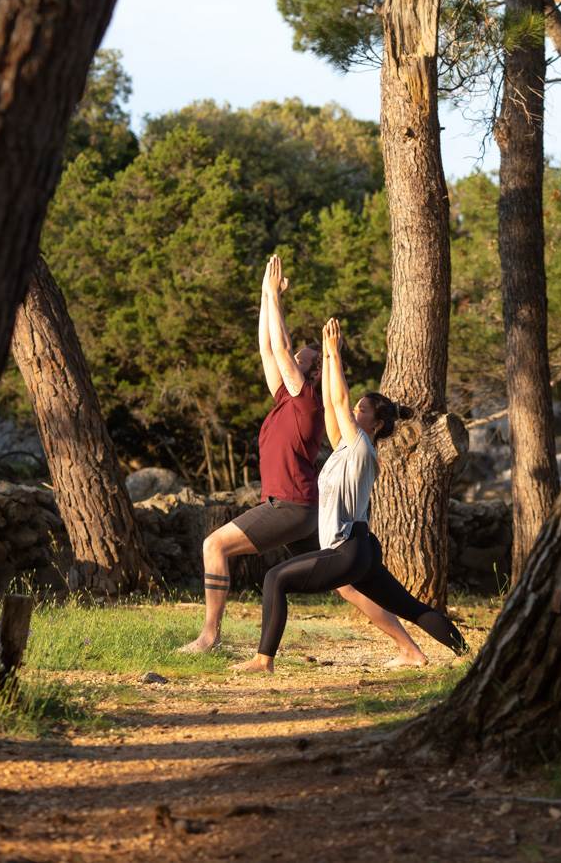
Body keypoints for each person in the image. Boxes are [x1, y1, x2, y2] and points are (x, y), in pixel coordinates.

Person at [180, 257, 427, 665]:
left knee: (214, 545)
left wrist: (275, 296)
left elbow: (278, 346)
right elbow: (267, 347)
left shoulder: (307, 403)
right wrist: (264, 293)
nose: (292, 357)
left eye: (303, 359)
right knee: (347, 585)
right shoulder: (285, 399)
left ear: (312, 375)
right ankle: (410, 651)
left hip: (291, 506)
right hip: (305, 508)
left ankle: (209, 637)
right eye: (297, 354)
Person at [235, 317, 468, 673]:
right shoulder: (345, 446)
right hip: (361, 547)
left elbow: (340, 399)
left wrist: (333, 354)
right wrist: (329, 360)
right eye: (356, 408)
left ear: (374, 424)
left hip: (346, 549)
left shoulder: (362, 447)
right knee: (411, 607)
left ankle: (262, 660)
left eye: (362, 410)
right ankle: (467, 657)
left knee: (275, 579)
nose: (353, 411)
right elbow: (331, 405)